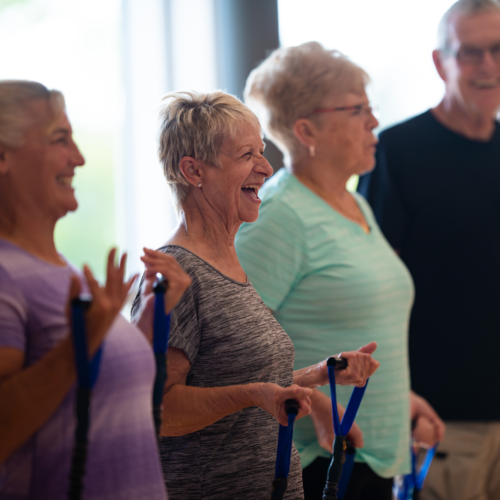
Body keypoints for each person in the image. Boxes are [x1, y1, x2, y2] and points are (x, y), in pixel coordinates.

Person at [130, 90, 380, 500]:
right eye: (247, 155)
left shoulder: (227, 264)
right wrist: (253, 393)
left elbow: (239, 390)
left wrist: (318, 374)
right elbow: (158, 410)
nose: (266, 168)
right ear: (193, 170)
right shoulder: (178, 273)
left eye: (262, 152)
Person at [234, 42, 445, 500]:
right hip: (316, 461)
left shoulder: (357, 204)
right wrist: (318, 402)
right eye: (357, 110)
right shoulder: (280, 215)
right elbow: (231, 351)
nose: (374, 122)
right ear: (307, 128)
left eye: (372, 108)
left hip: (373, 455)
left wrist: (399, 400)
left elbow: (353, 322)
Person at [0, 80, 192, 500]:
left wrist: (152, 315)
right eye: (59, 139)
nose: (79, 158)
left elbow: (102, 389)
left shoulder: (56, 268)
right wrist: (80, 344)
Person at [357, 1, 500, 498]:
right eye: (471, 53)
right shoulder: (395, 153)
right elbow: (368, 283)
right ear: (441, 63)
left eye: (498, 51)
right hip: (439, 419)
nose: (488, 66)